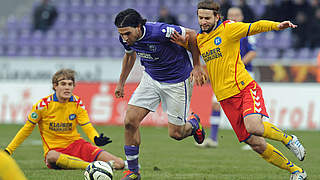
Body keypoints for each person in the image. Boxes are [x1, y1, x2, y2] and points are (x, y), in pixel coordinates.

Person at [171, 1, 307, 179]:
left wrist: (276, 26)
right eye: (200, 17)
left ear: (217, 17)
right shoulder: (200, 39)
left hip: (244, 88)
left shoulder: (229, 29)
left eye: (207, 18)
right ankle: (296, 171)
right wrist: (184, 45)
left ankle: (289, 139)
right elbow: (195, 47)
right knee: (256, 144)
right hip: (225, 98)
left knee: (253, 126)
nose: (203, 21)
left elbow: (255, 26)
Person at [114, 8, 206, 180]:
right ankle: (133, 171)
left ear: (139, 26)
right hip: (151, 78)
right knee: (130, 121)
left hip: (177, 81)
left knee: (176, 134)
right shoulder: (125, 38)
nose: (124, 38)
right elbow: (129, 57)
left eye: (127, 33)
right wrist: (121, 82)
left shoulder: (160, 31)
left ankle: (194, 124)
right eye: (121, 34)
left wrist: (197, 65)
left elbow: (193, 35)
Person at [4, 69, 126, 170]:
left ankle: (113, 164)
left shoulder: (77, 102)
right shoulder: (42, 105)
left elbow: (86, 125)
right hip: (55, 150)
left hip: (77, 145)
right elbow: (26, 130)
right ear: (55, 86)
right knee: (51, 157)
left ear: (73, 86)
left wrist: (95, 138)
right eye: (63, 84)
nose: (67, 87)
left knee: (119, 164)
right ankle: (91, 166)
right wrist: (8, 151)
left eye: (70, 84)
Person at [196, 7, 257, 148]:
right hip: (224, 76)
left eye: (236, 15)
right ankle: (213, 138)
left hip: (244, 74)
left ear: (242, 16)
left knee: (247, 110)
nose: (234, 17)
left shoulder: (246, 33)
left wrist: (238, 64)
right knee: (216, 104)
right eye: (231, 15)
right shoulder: (221, 32)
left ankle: (252, 138)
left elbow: (253, 53)